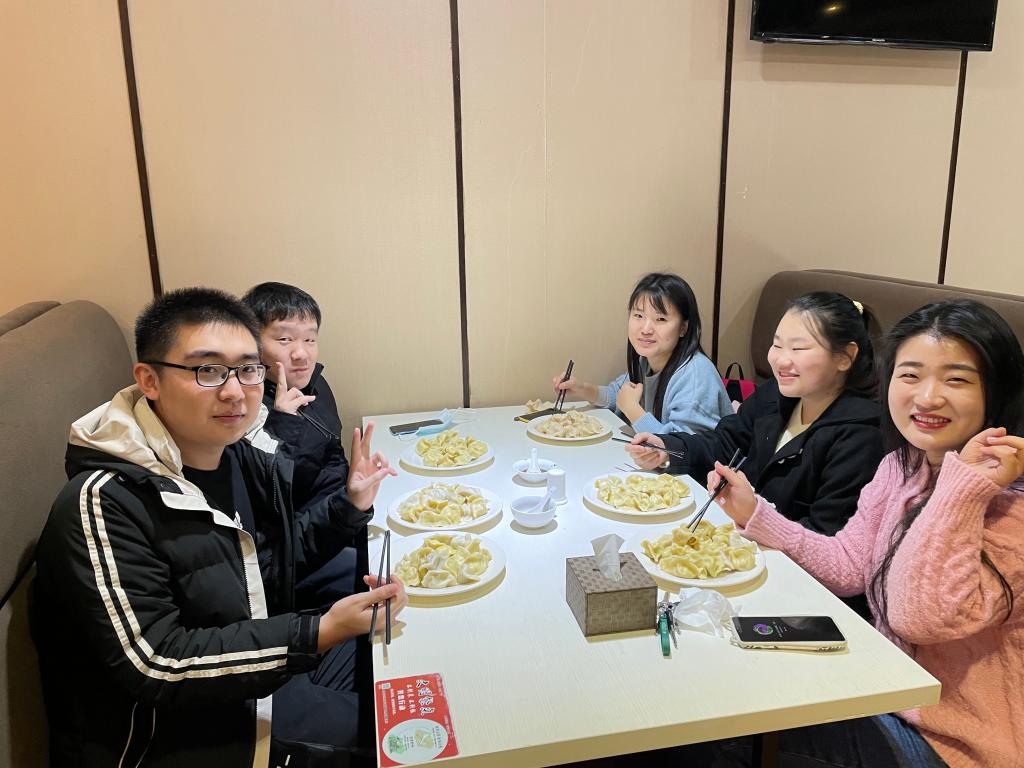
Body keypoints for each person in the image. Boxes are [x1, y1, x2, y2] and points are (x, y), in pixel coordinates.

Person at [32, 287, 403, 767]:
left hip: (247, 673)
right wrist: (318, 631)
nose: (234, 391)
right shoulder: (103, 500)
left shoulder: (233, 456)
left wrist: (349, 506)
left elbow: (269, 566)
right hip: (176, 733)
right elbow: (158, 664)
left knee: (408, 665)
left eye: (248, 370)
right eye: (207, 370)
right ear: (149, 380)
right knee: (402, 732)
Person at [681, 299, 1024, 767]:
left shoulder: (1009, 506)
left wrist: (959, 489)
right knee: (708, 679)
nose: (927, 397)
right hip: (882, 686)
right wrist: (755, 513)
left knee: (713, 731)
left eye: (956, 380)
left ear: (998, 388)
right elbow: (849, 566)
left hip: (949, 741)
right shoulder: (902, 467)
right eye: (910, 375)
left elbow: (916, 617)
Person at [628, 291, 883, 537]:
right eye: (777, 345)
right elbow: (725, 444)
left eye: (798, 349)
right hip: (737, 536)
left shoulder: (861, 436)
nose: (781, 360)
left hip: (781, 560)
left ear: (845, 357)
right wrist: (667, 449)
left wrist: (755, 515)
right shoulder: (776, 394)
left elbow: (828, 537)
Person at [241, 282, 362, 608]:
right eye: (284, 339)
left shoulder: (315, 384)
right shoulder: (243, 410)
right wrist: (282, 424)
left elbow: (331, 461)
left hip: (341, 521)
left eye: (310, 339)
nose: (301, 353)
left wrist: (356, 497)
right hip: (299, 557)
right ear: (251, 343)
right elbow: (268, 506)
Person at [552, 272, 731, 434]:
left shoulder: (695, 377)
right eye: (638, 316)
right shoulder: (648, 360)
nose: (645, 329)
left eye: (660, 319)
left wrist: (633, 410)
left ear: (684, 327)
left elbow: (682, 450)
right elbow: (618, 395)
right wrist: (582, 388)